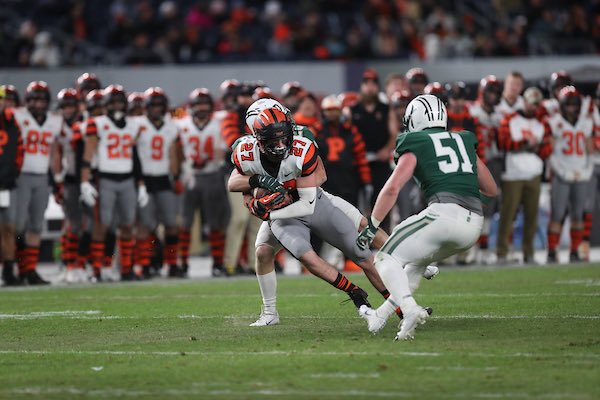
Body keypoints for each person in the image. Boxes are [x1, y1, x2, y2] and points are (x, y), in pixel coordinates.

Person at [356, 94, 497, 341]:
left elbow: (392, 188)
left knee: (385, 257)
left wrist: (372, 225)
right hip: (473, 225)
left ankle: (410, 310)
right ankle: (380, 315)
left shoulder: (415, 141)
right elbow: (491, 189)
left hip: (444, 215)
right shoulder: (462, 139)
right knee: (415, 263)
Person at [80, 84, 143, 281]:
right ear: (106, 104)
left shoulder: (133, 125)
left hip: (127, 179)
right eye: (113, 102)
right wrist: (84, 181)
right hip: (105, 178)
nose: (116, 106)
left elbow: (135, 156)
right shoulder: (96, 123)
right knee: (102, 225)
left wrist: (140, 184)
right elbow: (88, 154)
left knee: (127, 225)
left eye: (119, 102)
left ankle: (126, 269)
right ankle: (97, 269)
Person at [13, 81, 63, 285]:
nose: (37, 103)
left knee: (35, 225)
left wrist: (57, 177)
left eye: (41, 99)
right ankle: (16, 268)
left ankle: (30, 270)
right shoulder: (17, 115)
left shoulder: (54, 120)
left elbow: (54, 151)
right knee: (17, 225)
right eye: (33, 99)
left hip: (42, 176)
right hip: (20, 175)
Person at [496, 87, 552, 264]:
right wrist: (525, 144)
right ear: (524, 101)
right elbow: (503, 142)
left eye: (537, 104)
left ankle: (529, 253)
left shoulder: (542, 123)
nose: (533, 107)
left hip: (534, 173)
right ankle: (502, 252)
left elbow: (547, 148)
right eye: (531, 102)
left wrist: (534, 147)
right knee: (508, 215)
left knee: (532, 216)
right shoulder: (510, 119)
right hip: (513, 173)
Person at [177, 88, 230, 276]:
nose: (201, 107)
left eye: (204, 104)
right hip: (189, 176)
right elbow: (175, 151)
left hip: (212, 175)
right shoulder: (180, 124)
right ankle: (182, 263)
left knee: (215, 224)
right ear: (191, 107)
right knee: (185, 223)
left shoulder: (218, 123)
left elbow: (221, 151)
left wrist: (210, 159)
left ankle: (217, 264)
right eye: (197, 104)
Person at [134, 87, 183, 278]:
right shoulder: (137, 124)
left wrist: (178, 175)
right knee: (145, 225)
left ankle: (171, 264)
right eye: (152, 105)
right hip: (144, 180)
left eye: (159, 105)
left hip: (164, 179)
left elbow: (176, 153)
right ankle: (144, 264)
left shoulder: (172, 126)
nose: (156, 108)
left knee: (171, 223)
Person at [546, 86, 595, 263]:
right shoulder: (554, 122)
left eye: (575, 105)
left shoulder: (586, 122)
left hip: (581, 173)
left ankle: (575, 250)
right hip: (562, 173)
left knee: (578, 214)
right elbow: (549, 151)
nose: (572, 109)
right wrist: (560, 170)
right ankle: (552, 251)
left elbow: (590, 150)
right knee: (557, 214)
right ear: (561, 105)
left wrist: (587, 170)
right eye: (568, 105)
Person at [350, 68, 395, 231]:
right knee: (355, 204)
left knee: (381, 202)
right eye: (366, 83)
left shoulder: (385, 108)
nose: (369, 88)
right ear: (361, 86)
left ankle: (382, 240)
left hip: (379, 161)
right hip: (358, 164)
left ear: (378, 87)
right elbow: (346, 135)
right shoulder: (353, 109)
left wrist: (386, 150)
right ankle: (355, 243)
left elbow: (394, 134)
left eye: (373, 84)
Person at [0, 87, 24, 286]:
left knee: (10, 228)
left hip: (7, 183)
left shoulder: (11, 122)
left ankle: (8, 270)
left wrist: (14, 172)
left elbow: (19, 150)